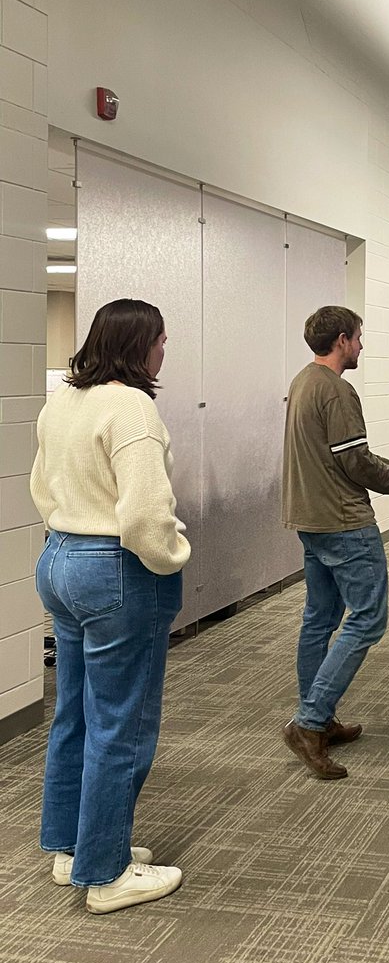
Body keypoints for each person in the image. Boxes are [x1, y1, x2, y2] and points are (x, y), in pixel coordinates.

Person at [29, 299, 191, 914]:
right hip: (116, 570)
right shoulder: (132, 406)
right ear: (138, 344)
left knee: (74, 713)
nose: (163, 351)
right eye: (160, 340)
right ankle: (106, 873)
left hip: (60, 557)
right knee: (123, 722)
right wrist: (173, 555)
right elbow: (147, 510)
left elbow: (40, 484)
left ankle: (73, 846)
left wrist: (69, 532)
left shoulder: (64, 400)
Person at [282, 306, 389, 779]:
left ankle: (318, 719)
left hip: (310, 517)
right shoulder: (337, 390)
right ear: (341, 340)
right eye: (359, 339)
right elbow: (354, 462)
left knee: (319, 619)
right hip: (344, 521)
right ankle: (310, 721)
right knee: (368, 618)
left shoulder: (302, 381)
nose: (361, 347)